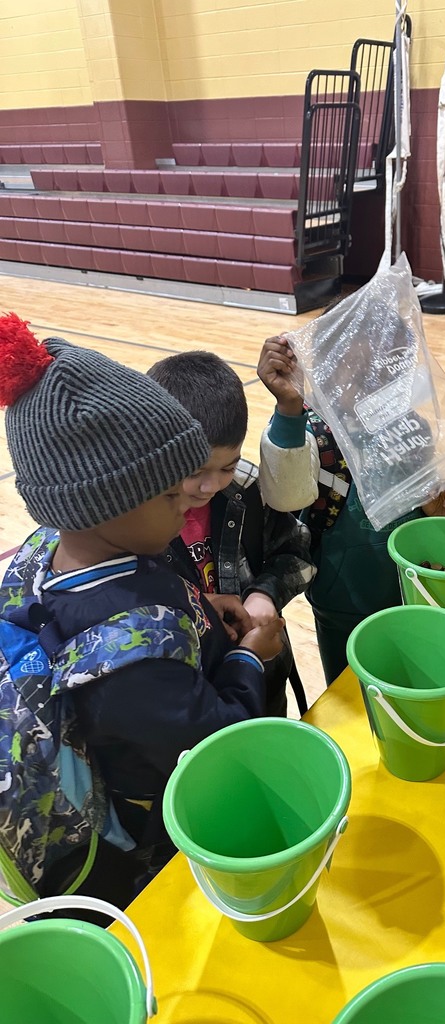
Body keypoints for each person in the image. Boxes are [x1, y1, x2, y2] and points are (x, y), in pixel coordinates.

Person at [0, 314, 283, 907]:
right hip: (153, 841)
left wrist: (198, 604)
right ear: (103, 505)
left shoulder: (51, 550)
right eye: (171, 493)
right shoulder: (129, 658)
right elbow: (216, 743)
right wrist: (250, 662)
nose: (191, 502)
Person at [257, 334, 445, 686]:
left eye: (381, 370)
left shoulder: (413, 427)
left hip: (409, 589)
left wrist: (433, 513)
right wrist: (289, 408)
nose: (367, 381)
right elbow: (285, 495)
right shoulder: (309, 432)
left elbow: (421, 505)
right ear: (321, 369)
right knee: (347, 691)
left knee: (410, 678)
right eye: (350, 368)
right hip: (341, 599)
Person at [147, 350, 315, 717]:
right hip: (191, 695)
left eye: (227, 466)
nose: (209, 486)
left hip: (264, 676)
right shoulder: (135, 520)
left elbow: (296, 548)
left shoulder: (246, 488)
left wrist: (265, 595)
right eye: (193, 471)